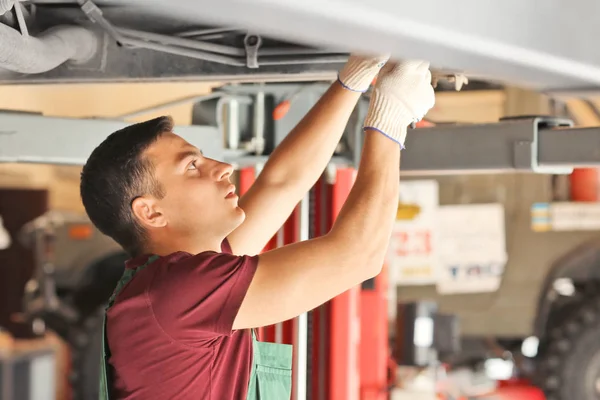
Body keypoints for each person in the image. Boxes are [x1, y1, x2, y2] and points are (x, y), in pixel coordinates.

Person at [79, 54, 435, 400]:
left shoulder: (172, 285)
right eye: (192, 166)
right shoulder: (174, 292)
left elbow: (283, 183)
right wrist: (392, 112)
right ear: (151, 213)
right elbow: (358, 256)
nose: (221, 168)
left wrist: (355, 77)